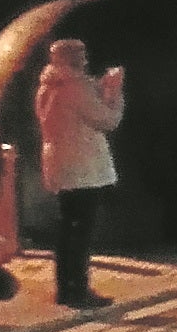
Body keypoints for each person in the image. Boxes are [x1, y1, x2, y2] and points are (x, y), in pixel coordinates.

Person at [34, 39, 122, 310]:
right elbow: (107, 120)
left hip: (61, 165)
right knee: (81, 232)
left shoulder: (47, 87)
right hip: (84, 167)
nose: (85, 59)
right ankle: (79, 290)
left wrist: (99, 87)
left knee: (66, 230)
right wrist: (114, 92)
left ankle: (65, 288)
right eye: (80, 55)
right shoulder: (75, 88)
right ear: (71, 59)